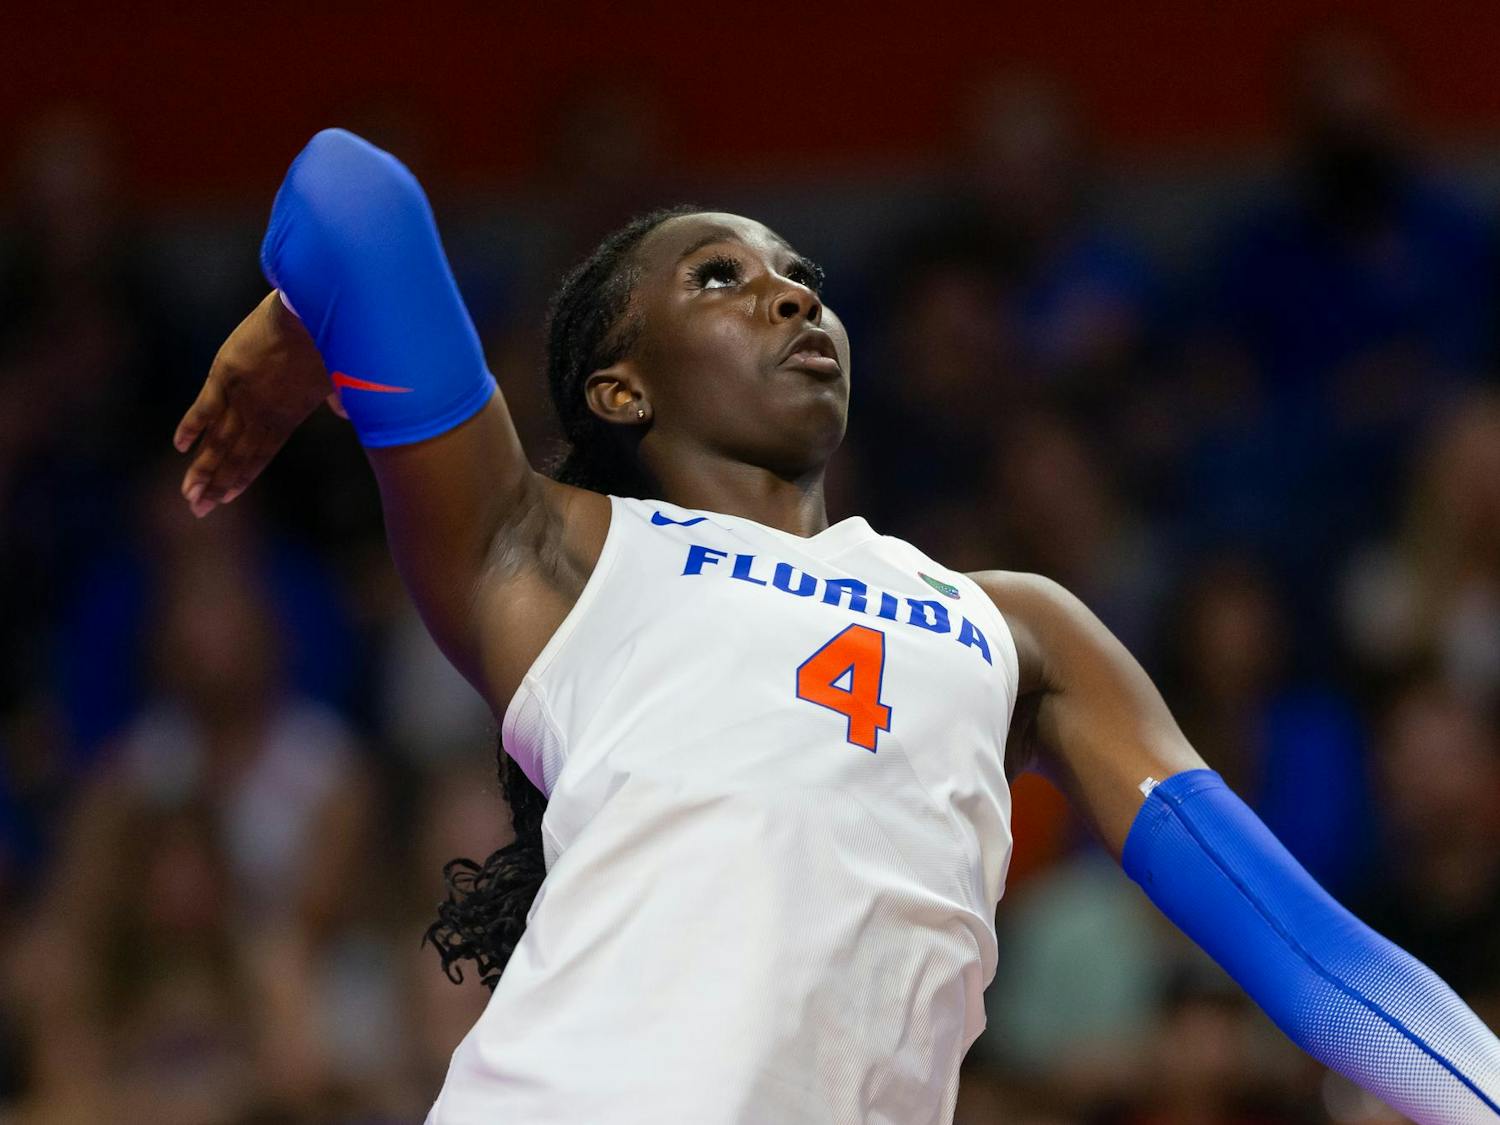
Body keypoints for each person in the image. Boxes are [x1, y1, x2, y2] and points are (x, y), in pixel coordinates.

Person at [174, 130, 1500, 1124]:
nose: (795, 297)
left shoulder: (1012, 625)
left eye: (804, 277)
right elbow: (352, 194)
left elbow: (1305, 945)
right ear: (620, 388)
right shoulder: (557, 553)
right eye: (721, 277)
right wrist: (295, 323)